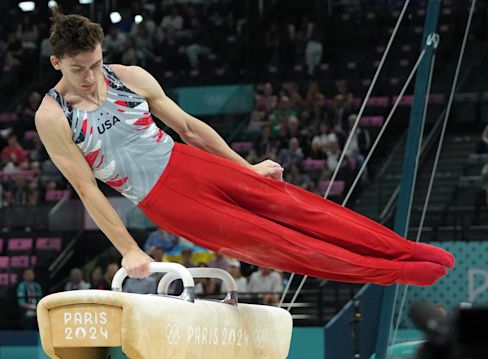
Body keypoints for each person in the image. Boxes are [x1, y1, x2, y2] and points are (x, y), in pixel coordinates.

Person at [34, 9, 454, 288]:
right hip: (162, 198)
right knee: (279, 242)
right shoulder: (53, 117)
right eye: (78, 70)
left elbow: (188, 127)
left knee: (303, 208)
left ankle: (406, 249)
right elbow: (88, 190)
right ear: (57, 64)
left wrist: (246, 168)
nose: (91, 76)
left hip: (188, 161)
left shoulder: (128, 76)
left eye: (94, 63)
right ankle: (396, 271)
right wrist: (128, 249)